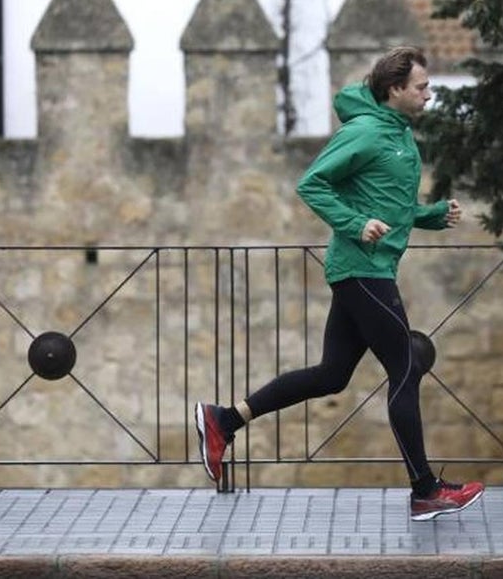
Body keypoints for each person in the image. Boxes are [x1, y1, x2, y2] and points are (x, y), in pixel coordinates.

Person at [194, 46, 484, 521]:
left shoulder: (398, 135)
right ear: (394, 90)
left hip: (369, 267)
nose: (429, 94)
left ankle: (223, 420)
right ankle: (425, 490)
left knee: (332, 374)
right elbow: (312, 183)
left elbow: (390, 205)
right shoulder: (366, 132)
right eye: (422, 87)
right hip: (362, 268)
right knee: (406, 368)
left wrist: (432, 215)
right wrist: (354, 224)